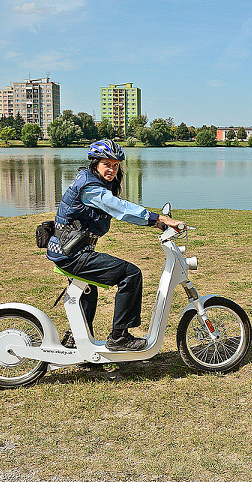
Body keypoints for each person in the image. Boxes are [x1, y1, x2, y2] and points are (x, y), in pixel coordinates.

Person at [46, 139, 184, 352]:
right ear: (95, 163)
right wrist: (161, 218)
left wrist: (154, 222)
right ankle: (120, 337)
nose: (111, 169)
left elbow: (118, 210)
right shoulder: (91, 187)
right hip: (72, 254)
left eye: (115, 165)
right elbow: (119, 208)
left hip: (69, 251)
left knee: (87, 291)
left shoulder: (91, 180)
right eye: (106, 164)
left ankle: (77, 340)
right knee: (130, 274)